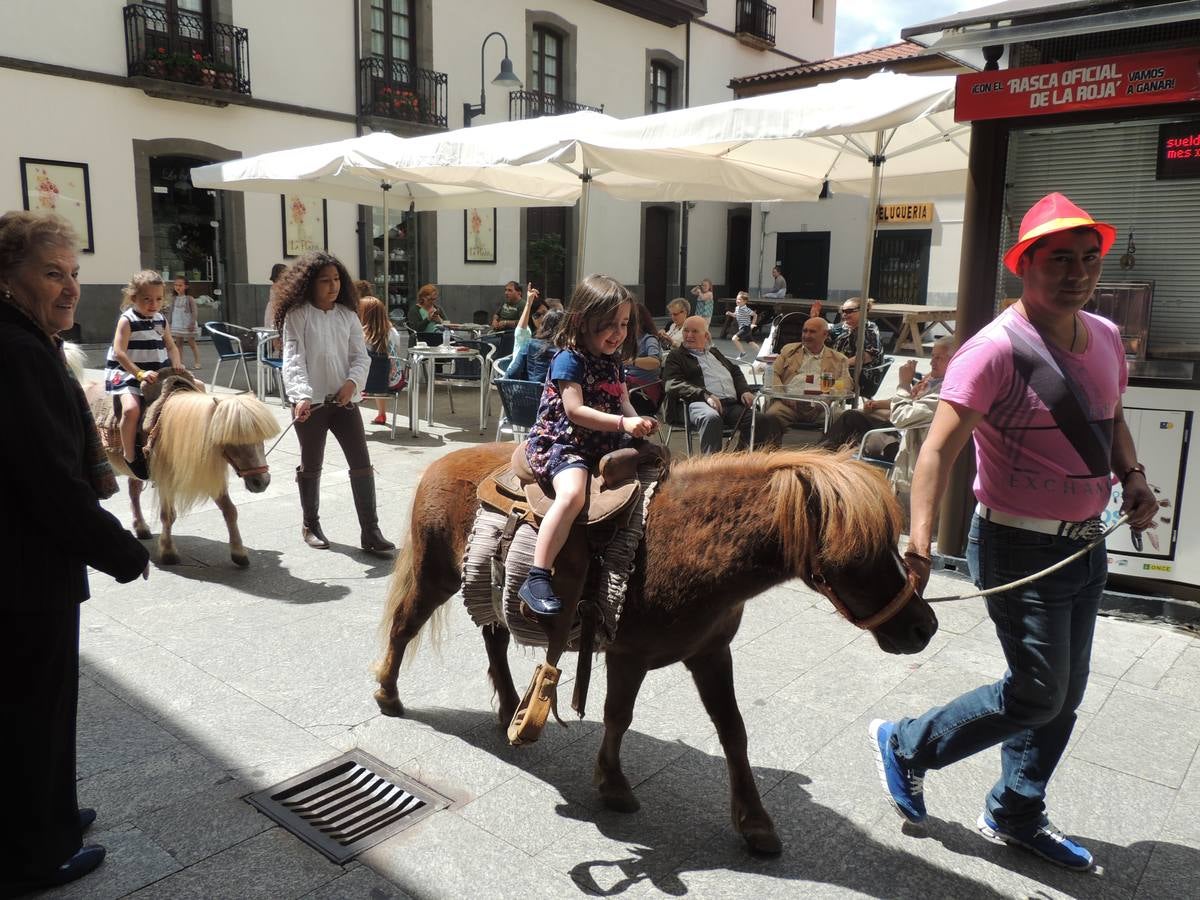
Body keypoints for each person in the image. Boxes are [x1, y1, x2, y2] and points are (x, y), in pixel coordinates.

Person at [868, 193, 1158, 872]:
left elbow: (1109, 417)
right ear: (1024, 264)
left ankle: (1016, 809)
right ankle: (908, 743)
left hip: (1085, 541)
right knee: (1038, 691)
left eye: (1089, 259)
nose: (1078, 273)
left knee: (1065, 693)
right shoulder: (992, 350)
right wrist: (919, 543)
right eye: (1060, 260)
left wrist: (1134, 476)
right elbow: (937, 450)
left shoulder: (1106, 336)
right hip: (1015, 543)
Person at [0, 211, 150, 895]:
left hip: (31, 565)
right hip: (23, 572)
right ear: (9, 277)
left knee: (44, 704)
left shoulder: (27, 341)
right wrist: (120, 550)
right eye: (52, 273)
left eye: (75, 274)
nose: (69, 288)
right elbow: (47, 481)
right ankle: (37, 854)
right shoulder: (18, 351)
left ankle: (53, 814)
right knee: (33, 708)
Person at [518, 275, 657, 615]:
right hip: (564, 442)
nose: (618, 333)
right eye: (609, 325)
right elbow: (575, 411)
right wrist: (624, 423)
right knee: (573, 494)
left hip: (603, 441)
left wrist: (639, 421)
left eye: (624, 324)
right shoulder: (569, 359)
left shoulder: (613, 363)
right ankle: (537, 575)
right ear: (582, 321)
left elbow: (623, 401)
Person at [275, 251, 395, 554]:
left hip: (344, 404)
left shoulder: (348, 315)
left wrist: (352, 383)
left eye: (337, 279)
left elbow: (360, 356)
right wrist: (301, 395)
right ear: (308, 284)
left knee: (361, 463)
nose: (333, 286)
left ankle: (370, 531)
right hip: (310, 405)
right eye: (325, 280)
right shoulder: (297, 315)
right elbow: (293, 359)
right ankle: (311, 524)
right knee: (312, 463)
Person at [104, 270, 182, 481]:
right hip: (128, 371)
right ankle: (130, 456)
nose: (153, 304)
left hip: (158, 372)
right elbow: (119, 352)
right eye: (147, 299)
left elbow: (172, 347)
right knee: (130, 410)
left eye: (158, 299)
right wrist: (138, 373)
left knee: (197, 389)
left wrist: (176, 363)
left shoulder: (160, 319)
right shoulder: (127, 320)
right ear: (133, 298)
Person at [662, 315, 781, 454]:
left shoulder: (714, 352)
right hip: (697, 403)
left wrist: (744, 390)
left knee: (764, 420)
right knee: (711, 418)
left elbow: (735, 371)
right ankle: (711, 465)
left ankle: (740, 460)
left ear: (706, 336)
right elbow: (672, 383)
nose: (688, 335)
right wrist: (704, 395)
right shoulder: (676, 356)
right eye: (686, 331)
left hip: (730, 404)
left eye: (694, 331)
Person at [822, 336, 954, 459]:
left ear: (954, 360)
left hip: (905, 435)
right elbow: (907, 400)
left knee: (858, 431)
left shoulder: (946, 390)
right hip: (894, 425)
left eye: (939, 358)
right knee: (850, 417)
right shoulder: (931, 379)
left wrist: (904, 383)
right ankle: (821, 455)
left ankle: (829, 457)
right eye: (932, 356)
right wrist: (877, 404)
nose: (931, 362)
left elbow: (902, 417)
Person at [762, 317, 849, 428]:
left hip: (822, 407)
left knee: (840, 419)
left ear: (825, 335)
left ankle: (827, 445)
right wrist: (783, 395)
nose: (806, 336)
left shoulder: (838, 359)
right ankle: (770, 445)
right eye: (804, 331)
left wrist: (828, 397)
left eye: (812, 332)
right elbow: (773, 373)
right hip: (789, 404)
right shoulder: (788, 350)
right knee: (771, 416)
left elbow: (845, 383)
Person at [359, 295, 404, 425]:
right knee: (382, 368)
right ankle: (381, 414)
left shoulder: (361, 334)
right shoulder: (393, 332)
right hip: (393, 382)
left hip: (366, 384)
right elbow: (397, 353)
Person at [625, 302, 664, 416]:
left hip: (643, 392)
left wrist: (631, 361)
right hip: (629, 387)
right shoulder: (628, 339)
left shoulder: (649, 339)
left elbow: (655, 362)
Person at [505, 308, 563, 383]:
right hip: (553, 393)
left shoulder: (530, 344)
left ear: (543, 325)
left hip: (528, 392)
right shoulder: (565, 352)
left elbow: (512, 372)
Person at [828, 297, 882, 369]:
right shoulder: (841, 327)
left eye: (849, 311)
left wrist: (842, 365)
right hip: (838, 370)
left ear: (863, 311)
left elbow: (869, 355)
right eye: (843, 311)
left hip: (862, 372)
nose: (844, 314)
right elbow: (823, 337)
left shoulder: (870, 328)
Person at [168, 274, 201, 369]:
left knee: (192, 343)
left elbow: (194, 311)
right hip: (177, 323)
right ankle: (180, 362)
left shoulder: (189, 298)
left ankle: (197, 361)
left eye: (180, 285)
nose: (177, 287)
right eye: (176, 285)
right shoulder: (174, 299)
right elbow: (171, 311)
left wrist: (192, 322)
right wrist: (169, 323)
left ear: (186, 286)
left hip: (187, 323)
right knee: (178, 344)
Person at [512, 283, 545, 354]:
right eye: (537, 315)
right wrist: (528, 303)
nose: (543, 317)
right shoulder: (526, 338)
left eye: (545, 313)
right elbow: (520, 332)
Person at [726, 291, 759, 360]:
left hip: (746, 328)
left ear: (745, 301)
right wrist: (730, 313)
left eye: (740, 299)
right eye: (737, 299)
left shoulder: (745, 309)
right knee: (751, 343)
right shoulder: (737, 308)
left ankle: (743, 353)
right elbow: (736, 315)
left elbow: (755, 315)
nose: (737, 301)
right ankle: (762, 353)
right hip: (742, 328)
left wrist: (753, 324)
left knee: (734, 338)